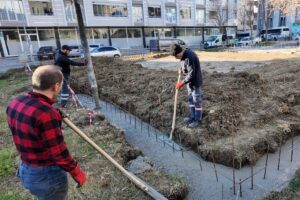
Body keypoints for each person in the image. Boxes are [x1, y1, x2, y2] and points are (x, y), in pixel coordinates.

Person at [6, 65, 86, 200]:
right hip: (46, 175)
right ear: (55, 86)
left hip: (26, 169)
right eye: (60, 85)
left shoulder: (16, 102)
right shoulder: (46, 114)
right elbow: (58, 153)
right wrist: (76, 171)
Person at [172, 44, 203, 128]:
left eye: (176, 56)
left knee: (196, 101)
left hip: (194, 81)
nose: (176, 58)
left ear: (179, 53)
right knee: (190, 100)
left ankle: (197, 120)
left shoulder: (189, 56)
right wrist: (182, 68)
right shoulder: (183, 56)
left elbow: (191, 74)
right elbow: (185, 65)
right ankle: (192, 117)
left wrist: (182, 83)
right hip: (189, 82)